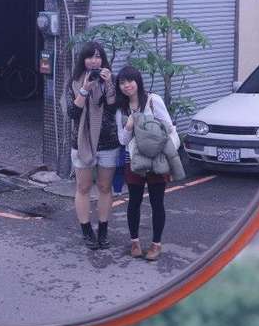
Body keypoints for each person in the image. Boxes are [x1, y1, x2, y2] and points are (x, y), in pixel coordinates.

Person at [115, 66, 177, 261]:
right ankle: (135, 242)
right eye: (122, 83)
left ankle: (156, 244)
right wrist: (128, 126)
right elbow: (122, 140)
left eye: (130, 81)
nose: (126, 86)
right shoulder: (121, 108)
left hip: (156, 159)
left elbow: (169, 128)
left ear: (138, 81)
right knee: (134, 202)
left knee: (157, 202)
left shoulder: (153, 100)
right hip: (133, 160)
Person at [67, 42, 119, 250]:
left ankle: (103, 230)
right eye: (90, 57)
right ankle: (87, 230)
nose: (94, 61)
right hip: (82, 142)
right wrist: (85, 90)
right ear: (84, 60)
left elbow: (114, 109)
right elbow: (72, 113)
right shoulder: (74, 82)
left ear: (103, 60)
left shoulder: (111, 80)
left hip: (108, 143)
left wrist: (109, 84)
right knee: (83, 187)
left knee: (105, 187)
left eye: (98, 57)